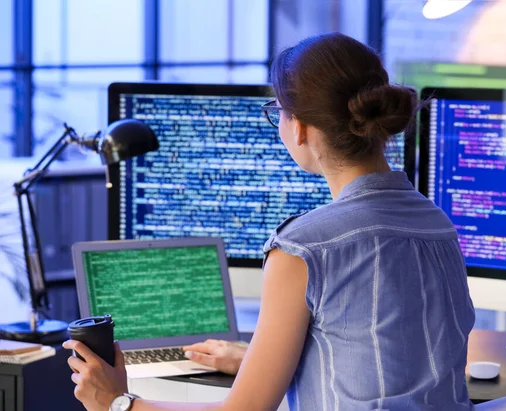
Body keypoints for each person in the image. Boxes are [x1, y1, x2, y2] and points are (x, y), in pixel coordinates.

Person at [63, 32, 475, 411]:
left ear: (298, 128)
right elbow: (380, 355)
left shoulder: (304, 246)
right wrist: (260, 358)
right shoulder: (438, 223)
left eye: (277, 110)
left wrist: (117, 402)